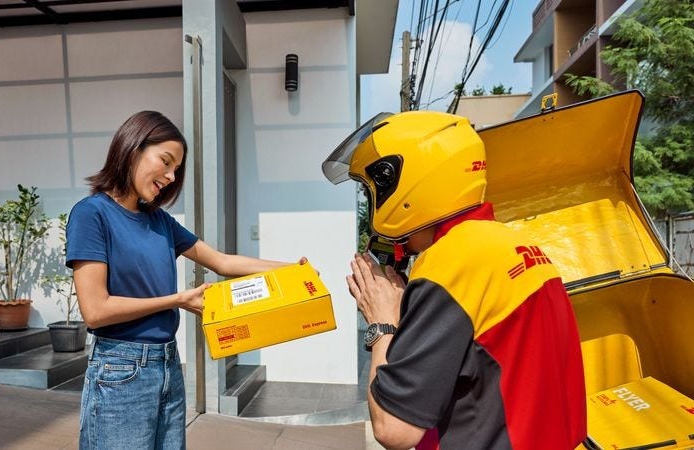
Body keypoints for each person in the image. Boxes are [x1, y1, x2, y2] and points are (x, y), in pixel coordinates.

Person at [321, 111, 587, 449]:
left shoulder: (448, 265)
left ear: (401, 183)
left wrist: (381, 324)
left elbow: (394, 429)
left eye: (370, 191)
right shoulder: (514, 244)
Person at [66, 110, 303, 449]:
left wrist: (292, 270)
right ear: (132, 148)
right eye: (165, 162)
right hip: (120, 369)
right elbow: (96, 310)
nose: (171, 176)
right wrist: (177, 300)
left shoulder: (160, 221)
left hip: (167, 365)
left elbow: (222, 261)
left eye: (176, 169)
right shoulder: (92, 214)